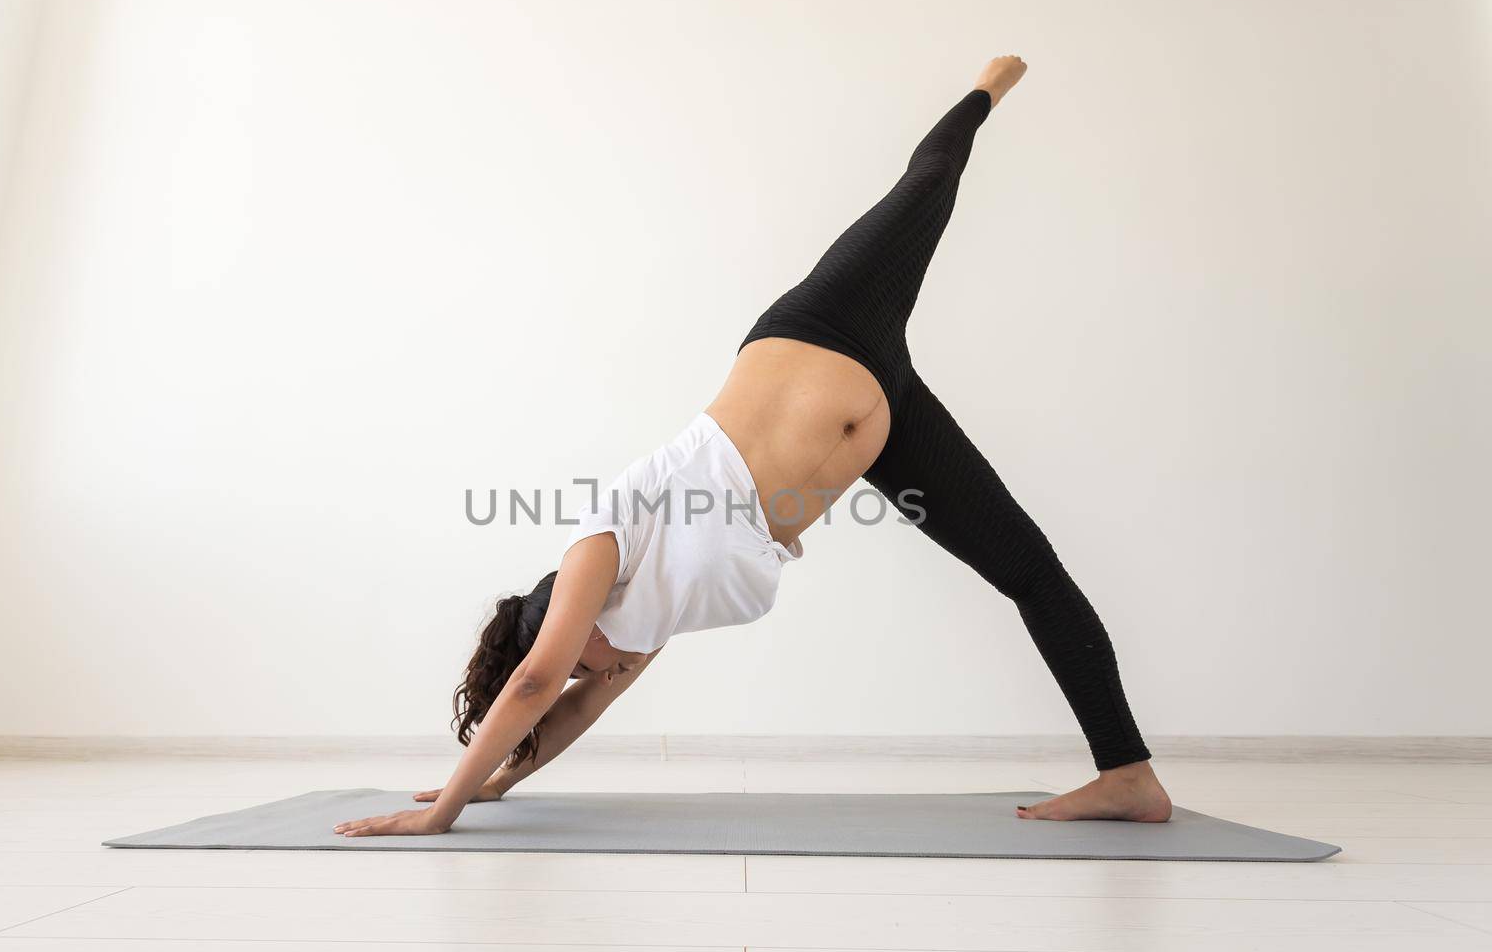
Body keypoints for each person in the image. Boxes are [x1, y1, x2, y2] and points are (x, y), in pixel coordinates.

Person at [335, 55, 1172, 838]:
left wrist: (441, 809)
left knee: (929, 182)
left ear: (560, 624)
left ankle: (989, 83)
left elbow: (535, 686)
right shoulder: (642, 625)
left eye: (580, 662)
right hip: (886, 411)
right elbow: (573, 708)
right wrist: (498, 785)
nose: (597, 675)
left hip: (821, 325)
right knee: (1027, 568)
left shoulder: (595, 550)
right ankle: (1130, 776)